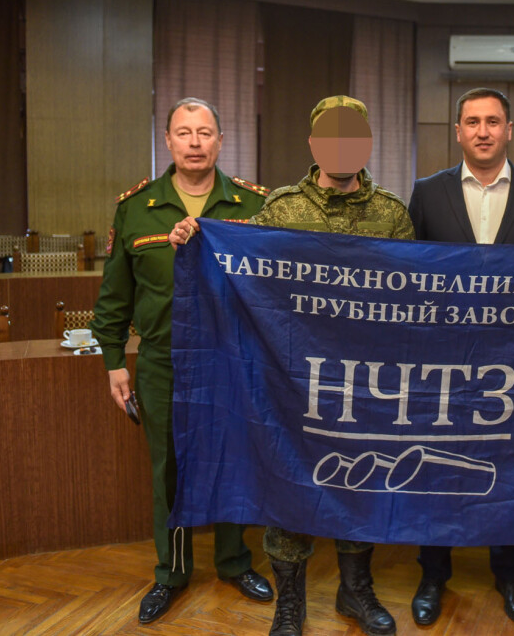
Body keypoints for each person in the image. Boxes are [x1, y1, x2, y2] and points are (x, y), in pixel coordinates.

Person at [171, 95, 412, 636]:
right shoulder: (281, 209)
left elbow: (408, 299)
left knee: (361, 484)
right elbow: (240, 266)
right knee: (288, 485)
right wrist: (197, 239)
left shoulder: (392, 214)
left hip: (364, 382)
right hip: (292, 378)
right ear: (314, 144)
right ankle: (290, 604)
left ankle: (355, 592)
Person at [91, 98, 274, 625]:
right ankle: (171, 572)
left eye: (205, 132)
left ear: (220, 141)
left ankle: (234, 562)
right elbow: (114, 296)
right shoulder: (136, 208)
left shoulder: (253, 205)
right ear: (167, 140)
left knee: (234, 462)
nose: (195, 142)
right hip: (162, 362)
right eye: (184, 132)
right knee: (168, 470)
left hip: (234, 360)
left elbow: (270, 286)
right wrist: (113, 361)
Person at [405, 87, 514, 626]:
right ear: (458, 132)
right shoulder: (428, 192)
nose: (483, 131)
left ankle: (510, 575)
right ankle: (433, 574)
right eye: (472, 122)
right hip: (442, 361)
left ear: (509, 130)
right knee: (436, 465)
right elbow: (410, 276)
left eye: (493, 121)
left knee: (507, 465)